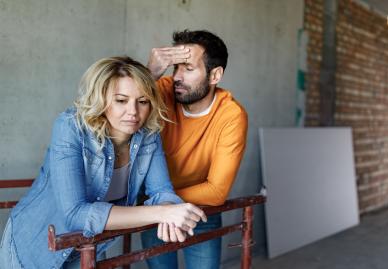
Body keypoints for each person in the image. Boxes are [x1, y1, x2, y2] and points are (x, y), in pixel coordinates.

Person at [0, 56, 206, 269]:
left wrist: (170, 209)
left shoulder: (149, 135)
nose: (133, 112)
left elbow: (162, 190)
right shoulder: (70, 127)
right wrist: (162, 213)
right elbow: (75, 214)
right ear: (102, 98)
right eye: (121, 100)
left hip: (87, 246)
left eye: (143, 101)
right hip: (34, 242)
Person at [141, 30, 248, 269]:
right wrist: (150, 72)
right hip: (156, 211)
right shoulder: (161, 88)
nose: (177, 77)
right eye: (175, 68)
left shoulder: (231, 115)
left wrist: (162, 203)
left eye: (188, 69)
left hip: (198, 211)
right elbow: (117, 105)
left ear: (215, 75)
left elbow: (216, 191)